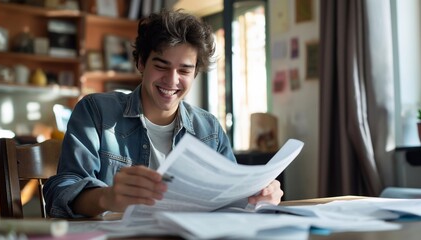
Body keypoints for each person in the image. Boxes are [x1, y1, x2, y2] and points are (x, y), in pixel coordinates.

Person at [44, 9, 283, 218]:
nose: (172, 80)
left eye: (184, 70)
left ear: (195, 74)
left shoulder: (208, 128)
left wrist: (257, 197)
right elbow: (62, 190)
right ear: (140, 63)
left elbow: (229, 198)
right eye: (161, 66)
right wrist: (106, 198)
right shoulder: (96, 112)